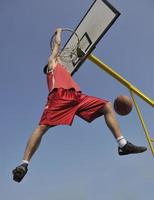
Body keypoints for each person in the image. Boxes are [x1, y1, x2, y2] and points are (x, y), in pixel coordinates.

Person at [12, 27, 147, 183]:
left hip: (77, 97)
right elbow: (56, 47)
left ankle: (123, 144)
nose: (58, 59)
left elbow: (61, 57)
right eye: (56, 59)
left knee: (107, 106)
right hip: (59, 96)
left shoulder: (62, 69)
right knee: (42, 127)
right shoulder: (51, 65)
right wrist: (59, 32)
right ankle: (24, 164)